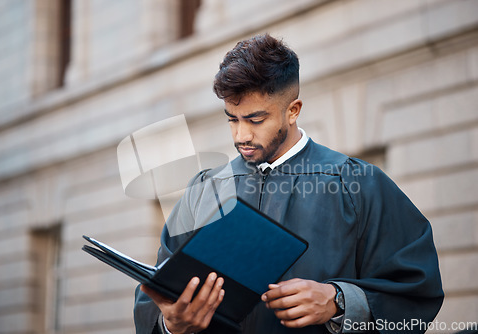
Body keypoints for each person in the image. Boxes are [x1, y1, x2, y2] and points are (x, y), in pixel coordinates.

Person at [134, 33, 444, 334]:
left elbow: (416, 288)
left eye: (255, 120)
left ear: (293, 111)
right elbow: (156, 296)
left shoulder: (358, 184)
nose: (241, 136)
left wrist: (338, 301)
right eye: (233, 119)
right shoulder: (203, 192)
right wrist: (172, 325)